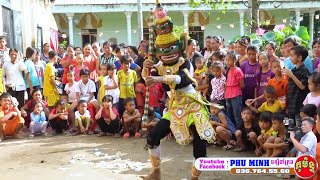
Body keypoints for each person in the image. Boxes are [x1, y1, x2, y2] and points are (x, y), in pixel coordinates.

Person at [141, 3, 215, 179]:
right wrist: (145, 68)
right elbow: (148, 79)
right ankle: (156, 170)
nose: (167, 53)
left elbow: (181, 79)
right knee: (152, 137)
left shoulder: (185, 63)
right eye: (163, 50)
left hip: (193, 106)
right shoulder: (160, 65)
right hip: (175, 108)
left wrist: (159, 78)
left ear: (179, 46)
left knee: (199, 143)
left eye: (170, 48)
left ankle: (195, 176)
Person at [283, 45, 310, 126]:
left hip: (299, 107)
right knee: (288, 127)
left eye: (292, 55)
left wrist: (291, 75)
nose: (290, 57)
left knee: (299, 129)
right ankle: (287, 138)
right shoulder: (293, 70)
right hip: (290, 105)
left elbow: (302, 86)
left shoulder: (304, 71)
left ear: (299, 57)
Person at [225, 52, 244, 127]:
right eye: (226, 60)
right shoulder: (228, 70)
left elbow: (242, 85)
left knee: (237, 114)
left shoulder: (237, 70)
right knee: (229, 114)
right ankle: (232, 131)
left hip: (235, 94)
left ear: (234, 60)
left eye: (229, 60)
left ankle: (240, 131)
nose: (227, 62)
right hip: (228, 94)